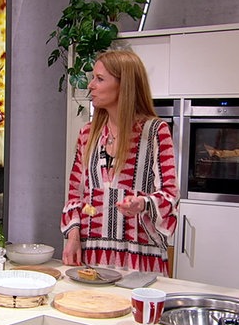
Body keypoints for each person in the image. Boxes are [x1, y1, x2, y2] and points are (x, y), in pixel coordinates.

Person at [61, 50, 178, 276]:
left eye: (100, 79)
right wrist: (73, 235)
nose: (91, 85)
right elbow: (75, 195)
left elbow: (170, 195)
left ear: (124, 86)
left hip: (140, 260)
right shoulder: (87, 134)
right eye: (93, 77)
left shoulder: (156, 132)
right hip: (92, 258)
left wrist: (143, 203)